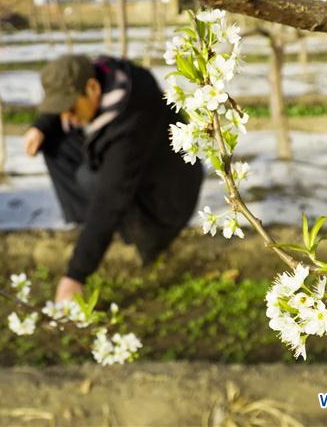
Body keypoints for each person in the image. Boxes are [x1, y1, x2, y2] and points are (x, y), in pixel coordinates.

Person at [23, 54, 204, 303]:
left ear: (93, 88)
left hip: (165, 205)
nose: (67, 117)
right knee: (53, 141)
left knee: (90, 180)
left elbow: (110, 196)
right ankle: (92, 228)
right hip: (138, 178)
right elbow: (63, 110)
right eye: (60, 110)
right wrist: (41, 126)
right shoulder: (107, 75)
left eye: (71, 108)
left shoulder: (133, 122)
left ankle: (118, 234)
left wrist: (75, 276)